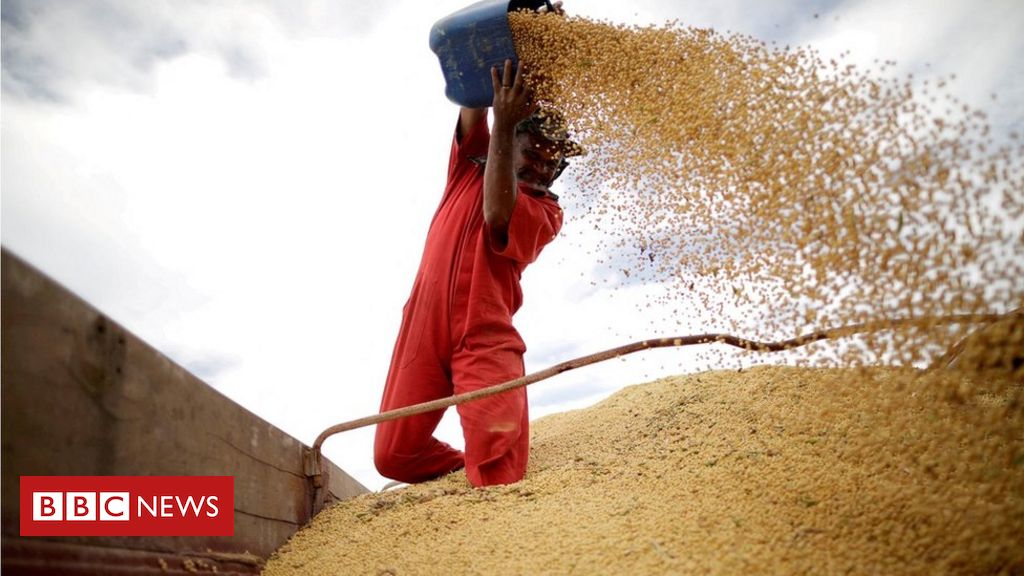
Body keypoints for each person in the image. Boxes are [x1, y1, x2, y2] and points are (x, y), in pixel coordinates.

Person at [373, 57, 581, 488]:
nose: (544, 163)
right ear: (512, 141)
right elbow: (472, 102)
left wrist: (506, 124)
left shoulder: (547, 211)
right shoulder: (470, 164)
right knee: (393, 455)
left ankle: (487, 481)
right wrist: (507, 53)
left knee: (498, 475)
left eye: (553, 159)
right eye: (536, 149)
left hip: (484, 334)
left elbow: (496, 212)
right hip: (422, 325)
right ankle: (464, 467)